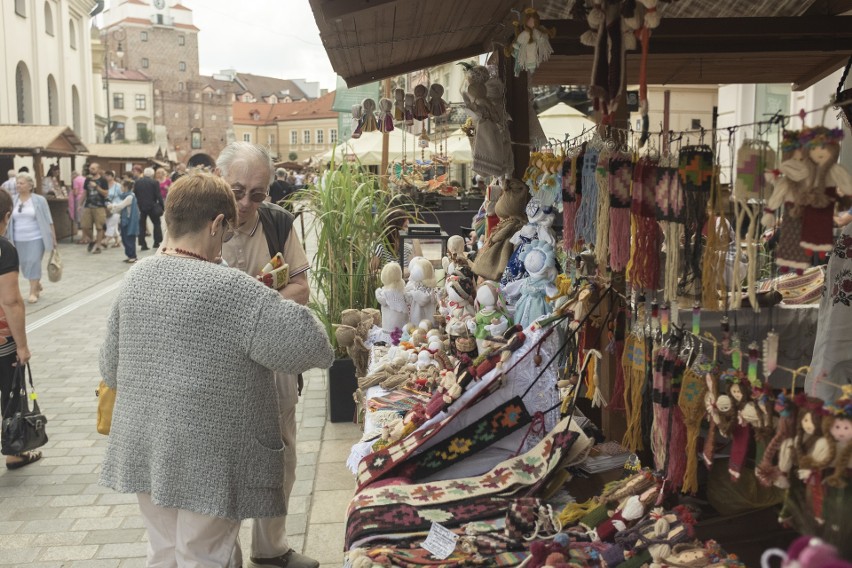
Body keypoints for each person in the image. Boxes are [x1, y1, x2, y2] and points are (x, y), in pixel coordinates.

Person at [99, 172, 333, 567]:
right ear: (216, 224)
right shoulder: (234, 289)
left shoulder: (135, 277)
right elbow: (313, 346)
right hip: (211, 457)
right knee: (206, 555)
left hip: (146, 444)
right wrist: (268, 295)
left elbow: (109, 365)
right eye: (225, 232)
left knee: (165, 551)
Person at [217, 142, 317, 568]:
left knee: (281, 454)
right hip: (219, 365)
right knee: (224, 461)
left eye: (257, 194)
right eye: (237, 191)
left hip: (273, 361)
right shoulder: (201, 221)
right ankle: (225, 555)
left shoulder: (277, 223)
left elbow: (301, 286)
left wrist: (259, 307)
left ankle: (271, 547)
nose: (245, 203)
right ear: (219, 183)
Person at [0, 189, 35, 470]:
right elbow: (11, 300)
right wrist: (21, 345)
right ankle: (14, 451)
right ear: (7, 216)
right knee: (10, 392)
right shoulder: (4, 248)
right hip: (1, 340)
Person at [6, 173, 56, 304]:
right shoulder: (13, 200)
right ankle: (37, 284)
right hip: (17, 238)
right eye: (17, 183)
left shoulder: (39, 200)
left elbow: (48, 220)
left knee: (33, 261)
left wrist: (53, 239)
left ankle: (33, 291)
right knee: (24, 264)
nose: (18, 185)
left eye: (21, 183)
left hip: (36, 237)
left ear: (30, 185)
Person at [370, 208, 422, 272]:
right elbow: (372, 272)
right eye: (405, 226)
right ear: (395, 228)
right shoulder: (380, 247)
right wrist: (398, 273)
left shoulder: (406, 248)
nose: (407, 230)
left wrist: (415, 239)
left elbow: (420, 267)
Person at [110, 179, 140, 263]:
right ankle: (130, 255)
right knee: (125, 238)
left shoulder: (130, 196)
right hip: (125, 220)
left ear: (126, 187)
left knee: (129, 238)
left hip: (128, 221)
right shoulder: (127, 195)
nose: (121, 188)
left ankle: (133, 256)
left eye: (122, 186)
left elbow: (121, 206)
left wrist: (112, 206)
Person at [81, 163, 109, 253]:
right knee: (85, 226)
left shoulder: (103, 180)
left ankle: (98, 246)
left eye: (93, 168)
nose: (91, 170)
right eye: (90, 168)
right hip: (88, 206)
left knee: (99, 227)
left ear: (98, 169)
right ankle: (93, 240)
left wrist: (96, 187)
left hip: (99, 206)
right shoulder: (87, 179)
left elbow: (105, 193)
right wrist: (79, 204)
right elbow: (84, 192)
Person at [134, 167, 164, 250]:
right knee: (156, 223)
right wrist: (162, 206)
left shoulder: (137, 182)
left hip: (141, 207)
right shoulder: (154, 182)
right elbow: (158, 195)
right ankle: (156, 242)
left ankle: (143, 244)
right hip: (152, 206)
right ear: (152, 174)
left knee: (142, 225)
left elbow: (135, 194)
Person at [104, 170, 123, 248]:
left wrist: (120, 205)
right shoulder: (104, 185)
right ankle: (117, 241)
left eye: (108, 175)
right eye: (106, 175)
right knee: (111, 223)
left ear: (112, 176)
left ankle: (106, 240)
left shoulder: (117, 186)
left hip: (116, 206)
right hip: (106, 207)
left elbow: (122, 196)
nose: (107, 177)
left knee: (111, 223)